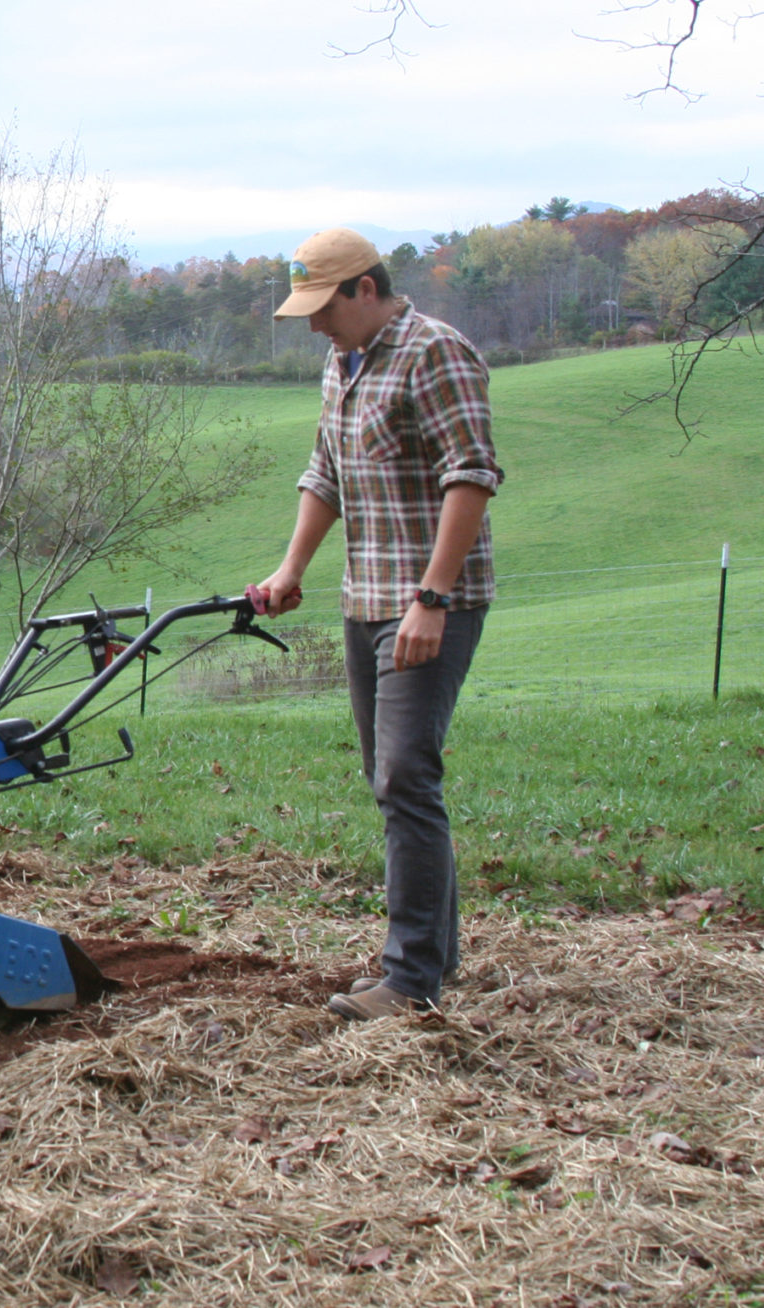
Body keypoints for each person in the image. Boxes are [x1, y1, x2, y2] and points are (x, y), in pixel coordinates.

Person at [252, 227, 504, 1021]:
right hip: (364, 598)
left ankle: (410, 982)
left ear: (365, 288)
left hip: (429, 602)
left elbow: (471, 476)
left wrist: (432, 598)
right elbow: (325, 471)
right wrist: (293, 568)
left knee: (404, 776)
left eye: (325, 308)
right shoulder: (344, 362)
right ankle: (433, 959)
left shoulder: (437, 353)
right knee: (390, 779)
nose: (317, 327)